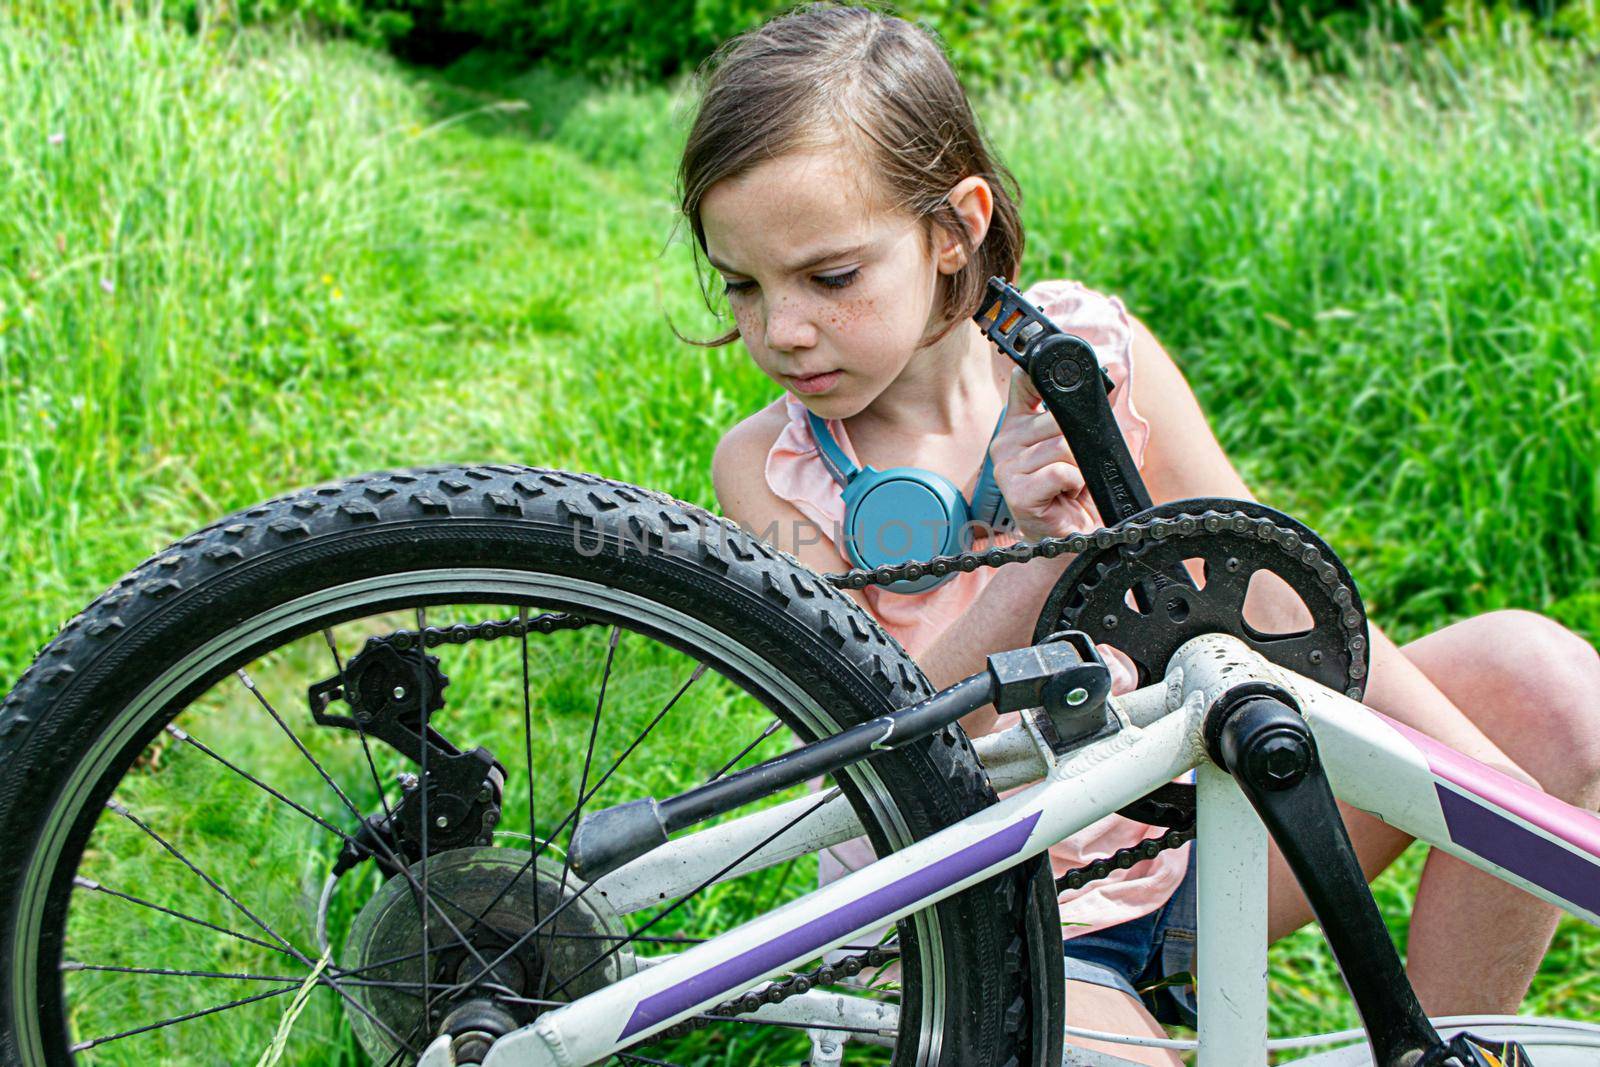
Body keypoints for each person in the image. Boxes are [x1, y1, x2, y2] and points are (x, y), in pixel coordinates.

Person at [682, 5, 1600, 1063]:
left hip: (1184, 848)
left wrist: (1497, 805)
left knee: (1546, 690)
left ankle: (1441, 1047)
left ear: (952, 229)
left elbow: (1270, 594)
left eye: (829, 277)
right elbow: (873, 759)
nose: (779, 328)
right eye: (741, 284)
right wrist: (1041, 559)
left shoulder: (1088, 356)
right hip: (983, 903)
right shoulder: (773, 465)